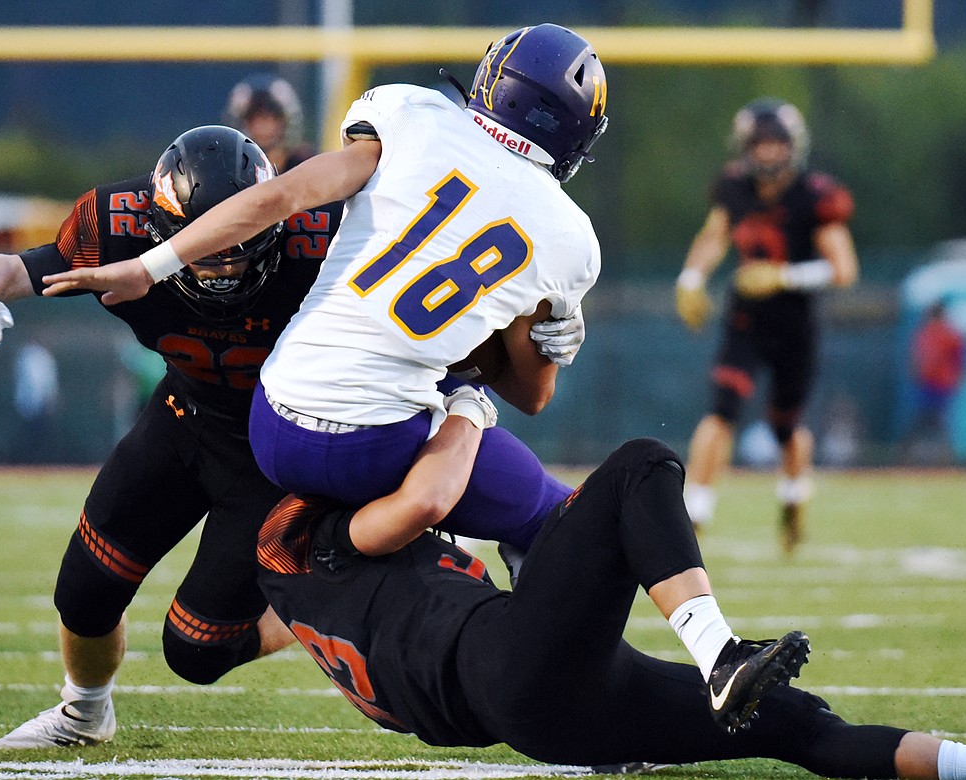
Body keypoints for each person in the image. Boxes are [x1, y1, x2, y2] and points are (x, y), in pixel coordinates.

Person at [42, 24, 605, 558]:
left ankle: (339, 546)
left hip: (276, 420)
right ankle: (389, 546)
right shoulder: (567, 235)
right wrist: (546, 340)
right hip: (377, 441)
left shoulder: (411, 118)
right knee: (554, 515)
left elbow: (277, 198)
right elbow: (531, 397)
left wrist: (152, 265)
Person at [253, 427, 966, 779]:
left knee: (799, 722)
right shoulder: (305, 533)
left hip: (536, 720)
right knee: (640, 466)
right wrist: (466, 404)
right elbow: (425, 499)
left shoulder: (300, 597)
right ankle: (720, 652)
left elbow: (390, 710)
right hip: (505, 667)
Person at [0, 124, 342, 749]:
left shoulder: (325, 237)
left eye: (239, 248)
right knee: (83, 591)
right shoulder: (113, 224)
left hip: (277, 451)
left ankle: (331, 592)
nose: (222, 267)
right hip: (185, 418)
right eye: (208, 250)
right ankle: (84, 713)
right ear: (158, 231)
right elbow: (10, 268)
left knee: (198, 650)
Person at [674, 97, 860, 553]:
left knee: (785, 425)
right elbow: (715, 235)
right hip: (746, 319)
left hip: (795, 325)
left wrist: (784, 275)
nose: (768, 154)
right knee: (722, 411)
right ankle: (695, 512)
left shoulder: (814, 195)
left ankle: (794, 500)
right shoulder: (735, 188)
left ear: (793, 147)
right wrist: (691, 278)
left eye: (776, 144)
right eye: (759, 144)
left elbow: (844, 269)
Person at [905, 300, 966, 465]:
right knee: (926, 422)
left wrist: (959, 375)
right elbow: (917, 359)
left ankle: (946, 460)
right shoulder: (927, 333)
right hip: (928, 384)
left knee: (936, 423)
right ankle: (915, 460)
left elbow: (961, 355)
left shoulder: (948, 334)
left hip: (941, 385)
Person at [222, 72, 314, 173]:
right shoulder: (229, 166)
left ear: (284, 123)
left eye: (270, 119)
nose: (262, 128)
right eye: (254, 120)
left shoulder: (304, 164)